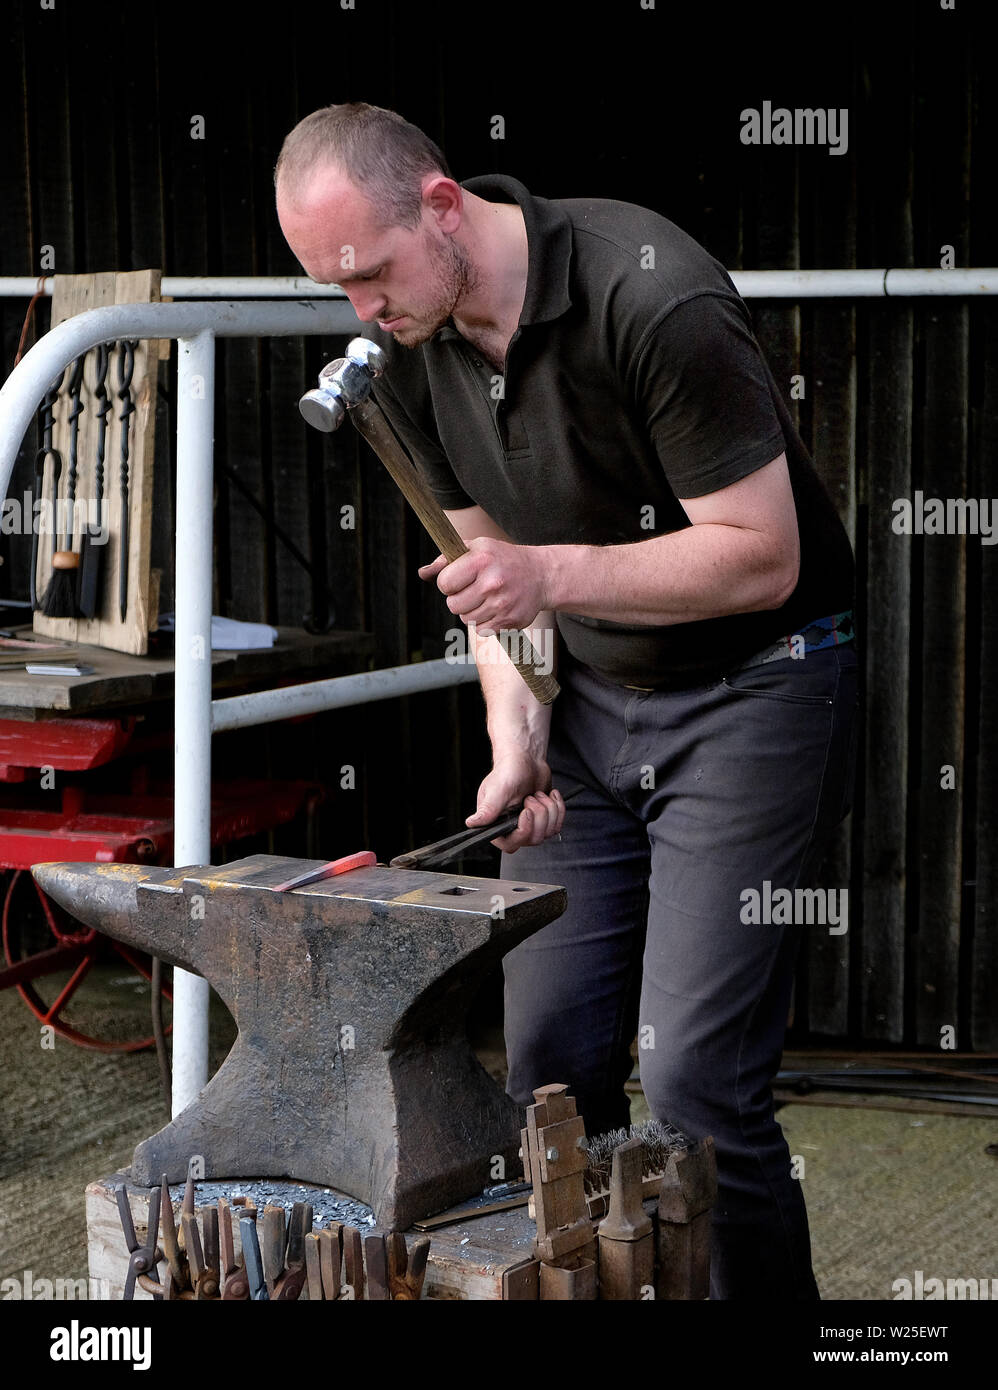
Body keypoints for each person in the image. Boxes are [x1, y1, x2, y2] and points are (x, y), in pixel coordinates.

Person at [275, 102, 858, 1300]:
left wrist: (550, 575)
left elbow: (761, 554)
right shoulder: (417, 350)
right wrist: (516, 734)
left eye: (372, 273)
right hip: (585, 699)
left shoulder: (652, 295)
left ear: (442, 205)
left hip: (754, 685)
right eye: (331, 287)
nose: (361, 313)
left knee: (694, 1078)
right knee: (546, 1066)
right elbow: (497, 594)